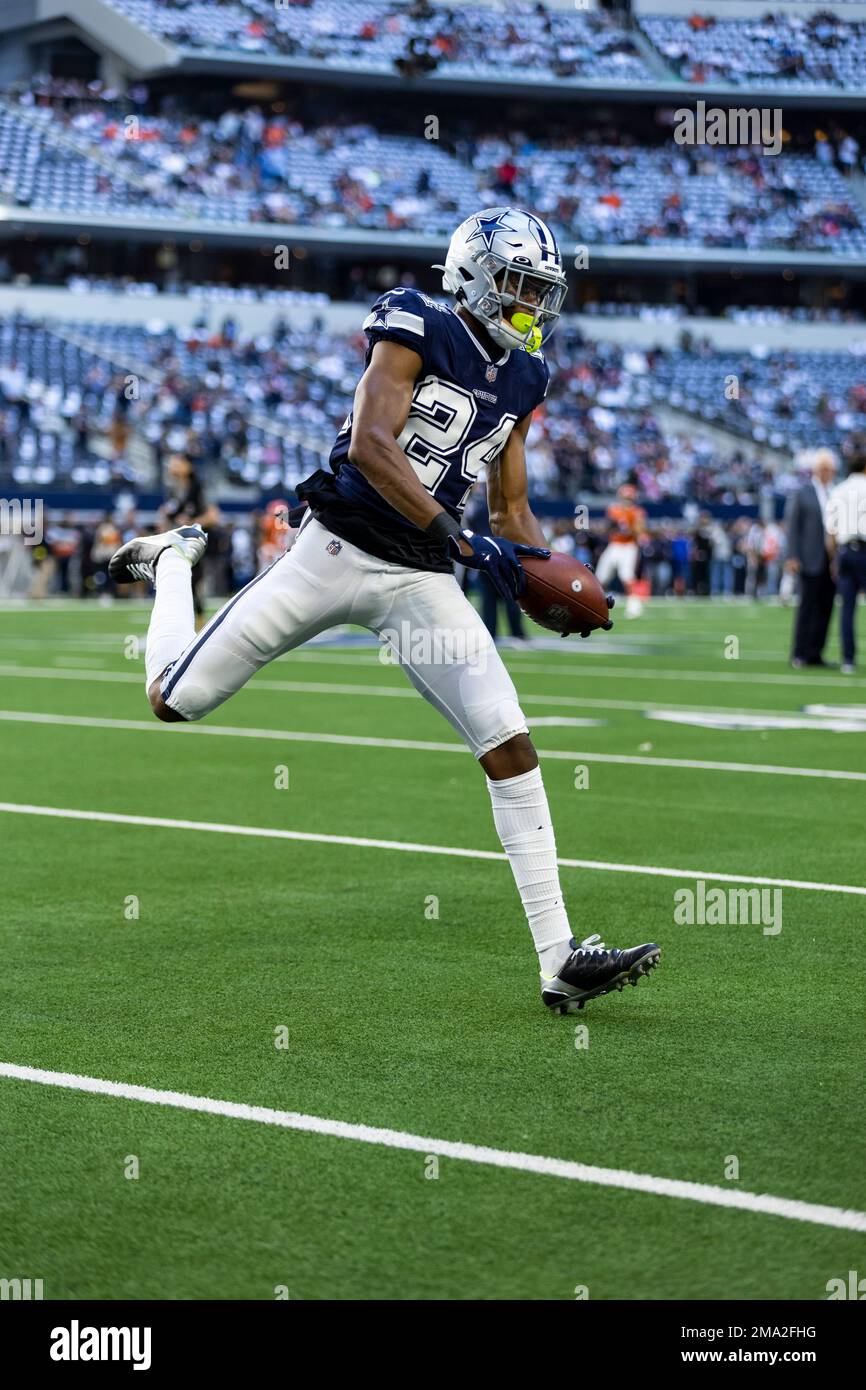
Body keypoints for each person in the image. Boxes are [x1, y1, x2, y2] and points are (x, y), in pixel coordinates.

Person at [107, 206, 660, 1015]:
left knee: (509, 745)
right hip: (332, 553)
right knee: (173, 700)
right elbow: (372, 442)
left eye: (541, 290)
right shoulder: (417, 321)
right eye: (516, 284)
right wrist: (459, 536)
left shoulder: (525, 375)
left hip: (420, 582)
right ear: (471, 274)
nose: (531, 304)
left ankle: (559, 959)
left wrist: (548, 574)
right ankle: (171, 562)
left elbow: (511, 509)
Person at [784, 449, 837, 668]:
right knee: (807, 606)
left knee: (826, 606)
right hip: (808, 557)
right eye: (823, 469)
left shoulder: (836, 492)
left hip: (831, 558)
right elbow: (793, 526)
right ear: (815, 470)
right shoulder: (803, 492)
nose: (827, 473)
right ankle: (799, 652)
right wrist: (792, 555)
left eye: (830, 469)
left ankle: (816, 652)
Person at [825, 451, 866, 675]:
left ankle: (848, 660)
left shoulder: (838, 490)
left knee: (847, 609)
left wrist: (834, 559)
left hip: (846, 552)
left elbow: (830, 531)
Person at [594, 482, 646, 617]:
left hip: (628, 546)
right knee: (601, 576)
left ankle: (634, 606)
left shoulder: (636, 512)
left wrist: (632, 521)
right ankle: (594, 603)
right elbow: (607, 528)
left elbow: (639, 532)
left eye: (629, 498)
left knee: (627, 576)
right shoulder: (613, 510)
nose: (626, 500)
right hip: (614, 545)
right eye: (625, 497)